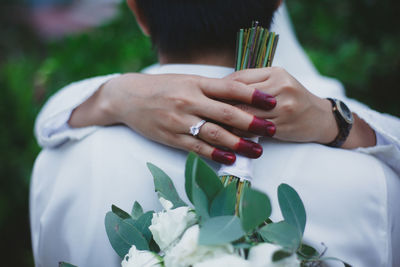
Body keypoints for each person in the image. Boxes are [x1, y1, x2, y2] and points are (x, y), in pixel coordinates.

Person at [30, 1, 400, 267]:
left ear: (138, 12)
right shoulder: (373, 183)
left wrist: (111, 94)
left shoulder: (60, 165)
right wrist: (339, 124)